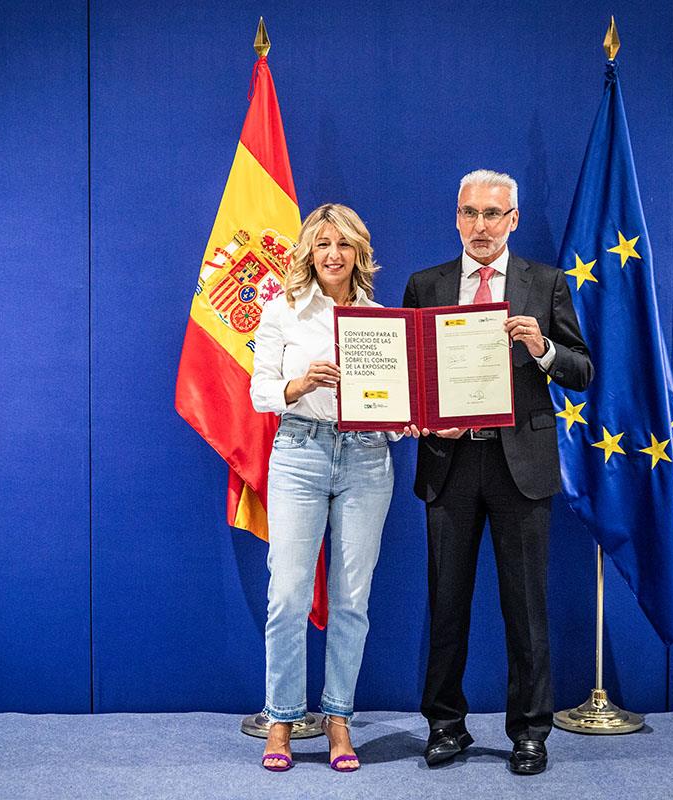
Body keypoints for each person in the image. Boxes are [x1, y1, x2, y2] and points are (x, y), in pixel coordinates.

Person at [402, 170, 593, 775]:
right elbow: (408, 379)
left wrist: (542, 349)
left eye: (493, 214)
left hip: (521, 467)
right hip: (450, 464)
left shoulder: (546, 282)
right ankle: (444, 725)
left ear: (513, 218)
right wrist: (424, 420)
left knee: (526, 608)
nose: (480, 226)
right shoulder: (425, 284)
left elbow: (582, 370)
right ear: (455, 217)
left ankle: (530, 733)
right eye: (469, 213)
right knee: (446, 602)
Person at [250, 203, 407, 772]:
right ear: (308, 253)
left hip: (367, 459)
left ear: (359, 253)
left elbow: (391, 406)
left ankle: (339, 719)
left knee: (351, 598)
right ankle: (282, 719)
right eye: (322, 246)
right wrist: (299, 383)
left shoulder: (382, 319)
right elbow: (258, 390)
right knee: (288, 594)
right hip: (299, 452)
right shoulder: (283, 311)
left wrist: (404, 420)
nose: (333, 255)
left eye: (343, 245)